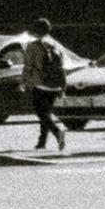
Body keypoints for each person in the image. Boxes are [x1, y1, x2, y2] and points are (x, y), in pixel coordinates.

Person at [27, 12, 70, 153]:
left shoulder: (33, 45)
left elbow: (28, 65)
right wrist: (63, 85)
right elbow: (62, 66)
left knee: (41, 113)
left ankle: (58, 132)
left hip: (40, 84)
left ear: (36, 30)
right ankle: (42, 142)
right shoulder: (56, 45)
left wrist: (24, 81)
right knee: (46, 113)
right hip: (55, 84)